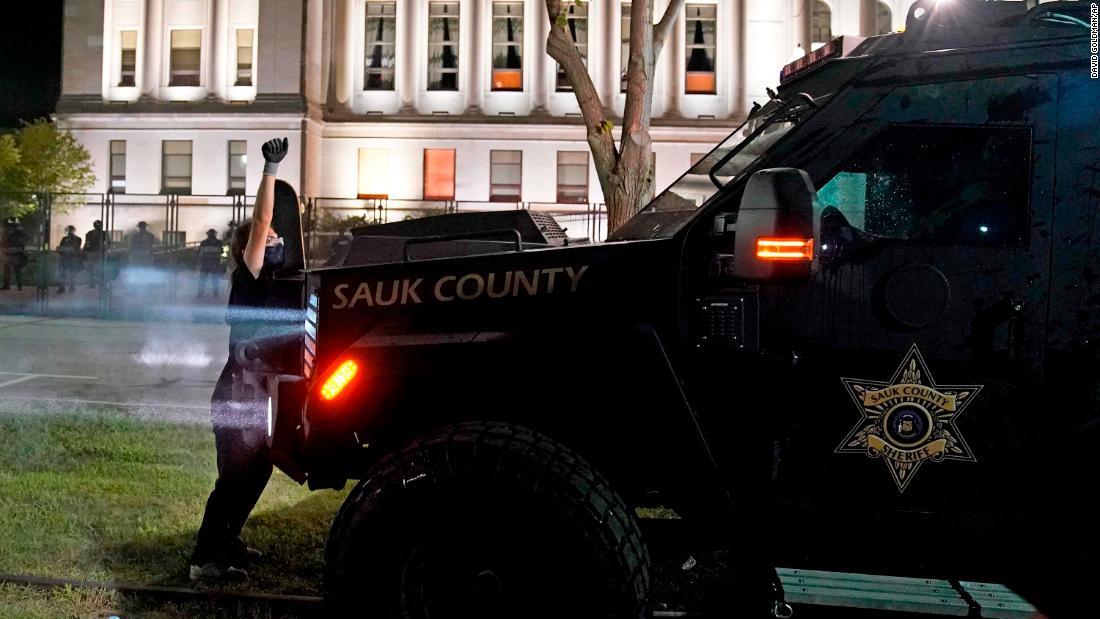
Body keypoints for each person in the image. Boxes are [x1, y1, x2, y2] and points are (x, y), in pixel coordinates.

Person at [190, 137, 289, 582]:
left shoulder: (274, 282)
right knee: (234, 476)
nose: (277, 237)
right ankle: (204, 560)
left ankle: (228, 541)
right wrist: (270, 170)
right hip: (236, 391)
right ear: (254, 246)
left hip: (255, 390)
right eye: (270, 238)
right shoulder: (248, 275)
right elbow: (263, 216)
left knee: (257, 469)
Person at [196, 228, 225, 298]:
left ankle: (201, 293)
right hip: (213, 263)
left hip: (207, 263)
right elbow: (222, 252)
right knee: (214, 279)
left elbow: (199, 253)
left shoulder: (203, 243)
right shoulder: (219, 243)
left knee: (204, 279)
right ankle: (215, 293)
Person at [1, 219, 28, 291]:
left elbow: (20, 243)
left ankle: (12, 285)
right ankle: (16, 285)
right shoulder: (18, 232)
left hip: (14, 253)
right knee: (12, 269)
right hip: (12, 252)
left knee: (13, 269)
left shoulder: (15, 232)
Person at [56, 225, 82, 293]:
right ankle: (62, 288)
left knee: (72, 273)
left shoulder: (78, 239)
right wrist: (62, 251)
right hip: (64, 258)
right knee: (62, 273)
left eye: (69, 230)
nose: (68, 232)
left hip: (72, 259)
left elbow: (76, 248)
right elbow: (61, 247)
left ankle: (72, 287)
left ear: (73, 230)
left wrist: (69, 250)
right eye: (67, 230)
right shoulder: (64, 238)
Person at [84, 220, 108, 288]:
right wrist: (85, 251)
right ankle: (92, 282)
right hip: (92, 252)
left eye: (100, 225)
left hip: (100, 252)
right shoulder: (90, 233)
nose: (99, 226)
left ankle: (102, 283)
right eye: (97, 225)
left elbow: (108, 242)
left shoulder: (103, 233)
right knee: (90, 268)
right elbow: (87, 243)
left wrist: (105, 249)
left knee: (101, 268)